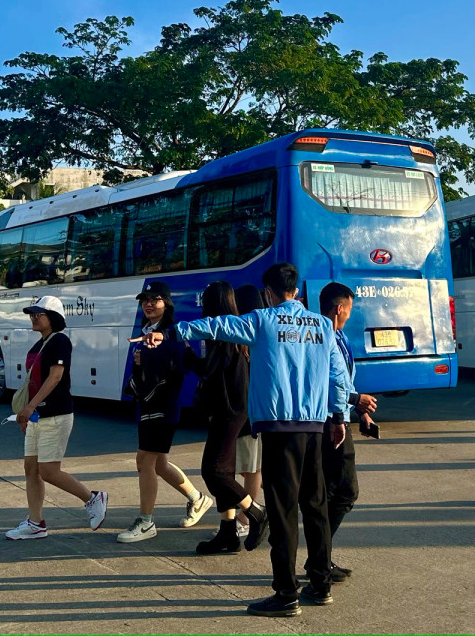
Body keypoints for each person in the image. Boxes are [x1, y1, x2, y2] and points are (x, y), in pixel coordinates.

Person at [133, 263, 351, 617]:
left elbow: (217, 326)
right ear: (295, 290)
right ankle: (320, 583)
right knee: (315, 505)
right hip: (314, 425)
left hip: (280, 428)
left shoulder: (263, 321)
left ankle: (285, 594)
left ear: (267, 291)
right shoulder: (323, 325)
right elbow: (338, 375)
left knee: (282, 512)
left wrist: (170, 334)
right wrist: (338, 416)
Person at [118, 281, 214, 544]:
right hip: (148, 405)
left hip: (162, 406)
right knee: (158, 463)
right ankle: (198, 499)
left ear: (167, 303)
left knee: (144, 462)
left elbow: (185, 365)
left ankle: (146, 521)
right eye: (145, 299)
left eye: (156, 299)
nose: (149, 304)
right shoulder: (146, 330)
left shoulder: (171, 333)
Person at [6, 296, 109, 540]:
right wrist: (26, 413)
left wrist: (30, 407)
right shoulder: (39, 344)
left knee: (49, 471)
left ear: (52, 317)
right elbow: (33, 381)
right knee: (31, 468)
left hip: (56, 414)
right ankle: (35, 522)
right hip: (36, 417)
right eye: (32, 313)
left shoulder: (60, 341)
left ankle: (92, 498)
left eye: (38, 314)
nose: (33, 317)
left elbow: (55, 377)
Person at [192, 281, 259, 555]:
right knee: (225, 470)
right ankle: (228, 533)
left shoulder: (221, 330)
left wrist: (182, 353)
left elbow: (207, 368)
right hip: (233, 406)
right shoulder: (234, 327)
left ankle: (255, 511)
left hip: (230, 408)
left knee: (213, 471)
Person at [318, 282, 379, 582]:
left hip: (341, 416)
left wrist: (360, 409)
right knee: (342, 491)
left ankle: (321, 558)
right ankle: (319, 560)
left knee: (337, 491)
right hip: (331, 422)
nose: (350, 314)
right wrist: (353, 402)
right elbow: (328, 381)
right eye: (350, 308)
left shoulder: (340, 336)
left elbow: (343, 380)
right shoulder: (324, 336)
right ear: (340, 308)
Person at [233, 284, 266, 538]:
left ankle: (246, 516)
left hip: (249, 412)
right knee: (249, 466)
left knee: (251, 467)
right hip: (255, 410)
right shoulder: (261, 331)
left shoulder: (247, 335)